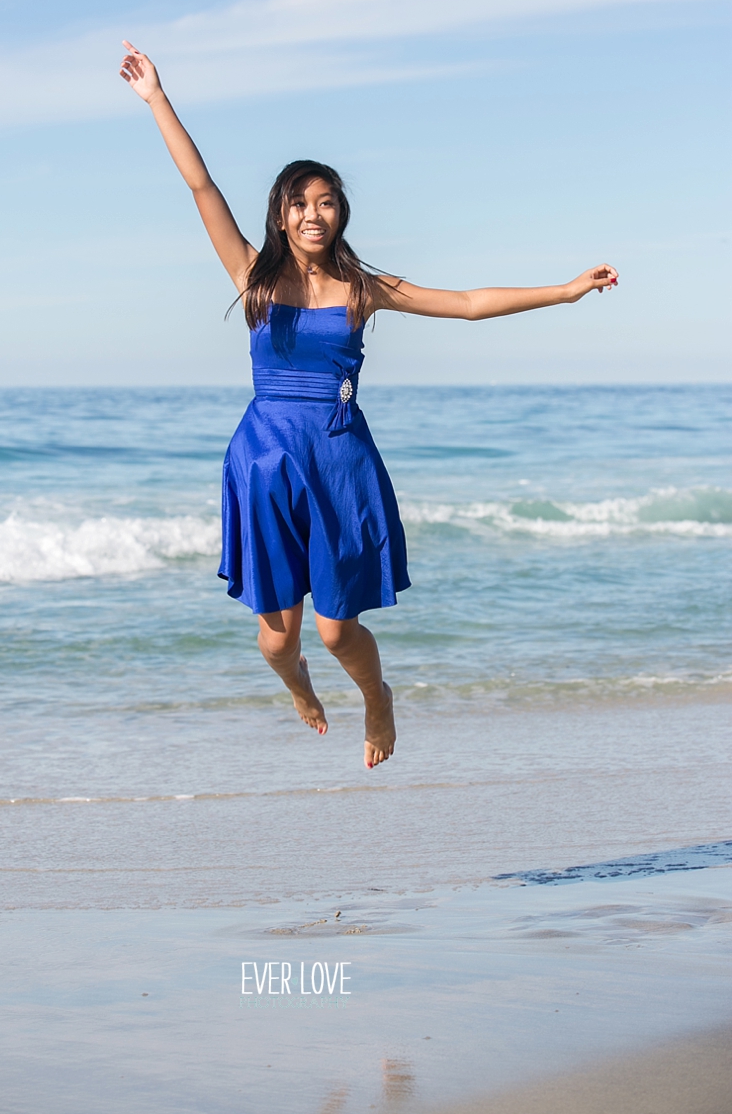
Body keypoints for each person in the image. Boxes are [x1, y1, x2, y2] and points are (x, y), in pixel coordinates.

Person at [119, 41, 618, 769]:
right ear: (281, 215)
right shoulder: (252, 276)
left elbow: (470, 304)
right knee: (276, 640)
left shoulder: (362, 287)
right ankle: (299, 691)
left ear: (340, 213)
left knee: (333, 628)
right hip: (264, 459)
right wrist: (158, 98)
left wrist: (565, 289)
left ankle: (377, 696)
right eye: (301, 201)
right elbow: (202, 188)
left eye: (326, 201)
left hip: (338, 454)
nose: (314, 212)